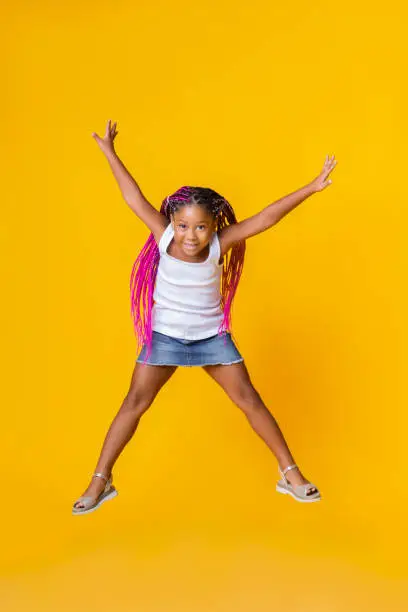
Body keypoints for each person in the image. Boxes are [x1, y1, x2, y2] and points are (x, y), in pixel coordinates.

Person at [72, 120, 337, 514]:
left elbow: (265, 218)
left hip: (211, 338)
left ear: (215, 226)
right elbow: (133, 198)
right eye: (183, 226)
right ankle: (100, 481)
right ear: (172, 224)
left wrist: (312, 187)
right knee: (133, 403)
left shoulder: (220, 243)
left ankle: (290, 473)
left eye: (200, 227)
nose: (191, 236)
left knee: (250, 400)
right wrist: (110, 152)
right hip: (164, 337)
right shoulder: (163, 237)